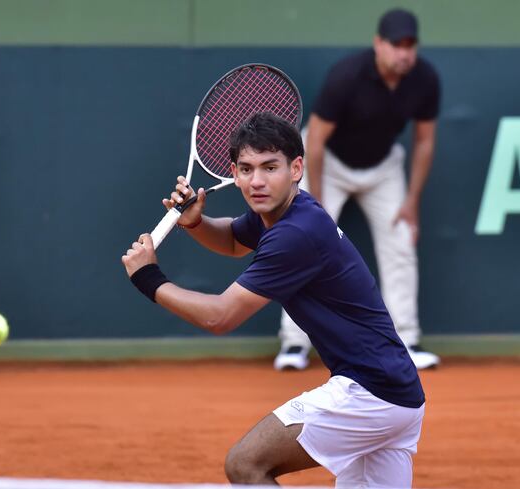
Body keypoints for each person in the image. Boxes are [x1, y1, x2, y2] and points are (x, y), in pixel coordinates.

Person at [122, 112, 425, 487]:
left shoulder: (294, 233)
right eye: (246, 169)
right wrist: (195, 222)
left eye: (270, 167)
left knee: (246, 465)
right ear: (234, 173)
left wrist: (148, 278)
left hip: (369, 393)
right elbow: (233, 239)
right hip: (399, 397)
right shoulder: (289, 212)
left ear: (296, 168)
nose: (257, 181)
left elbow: (221, 317)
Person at [275, 8, 441, 372]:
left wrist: (411, 201)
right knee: (304, 242)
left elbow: (425, 141)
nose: (404, 53)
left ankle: (406, 340)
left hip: (383, 168)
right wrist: (313, 204)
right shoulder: (347, 76)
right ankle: (294, 343)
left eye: (410, 45)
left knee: (400, 242)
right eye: (397, 44)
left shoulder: (424, 79)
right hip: (328, 164)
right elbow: (315, 141)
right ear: (378, 44)